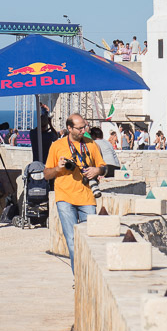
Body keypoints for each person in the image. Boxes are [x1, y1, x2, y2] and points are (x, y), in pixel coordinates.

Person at [44, 114, 107, 274]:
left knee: (90, 239)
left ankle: (90, 274)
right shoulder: (57, 146)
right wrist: (58, 168)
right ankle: (79, 277)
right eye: (79, 128)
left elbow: (104, 167)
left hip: (87, 197)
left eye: (84, 127)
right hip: (65, 198)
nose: (83, 131)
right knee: (72, 240)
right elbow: (46, 174)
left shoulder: (92, 144)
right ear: (69, 128)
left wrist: (97, 170)